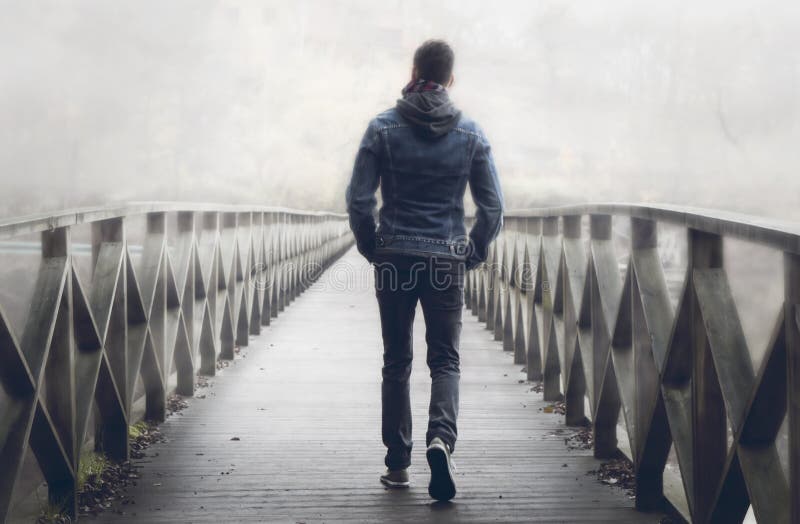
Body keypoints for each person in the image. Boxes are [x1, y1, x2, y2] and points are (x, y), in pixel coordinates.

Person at [345, 39, 504, 502]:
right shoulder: (471, 133)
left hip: (395, 256)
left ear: (414, 69)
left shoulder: (382, 128)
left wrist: (373, 246)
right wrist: (471, 252)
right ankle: (441, 439)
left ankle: (397, 467)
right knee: (445, 359)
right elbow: (493, 208)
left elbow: (358, 201)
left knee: (397, 360)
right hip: (445, 262)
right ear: (450, 78)